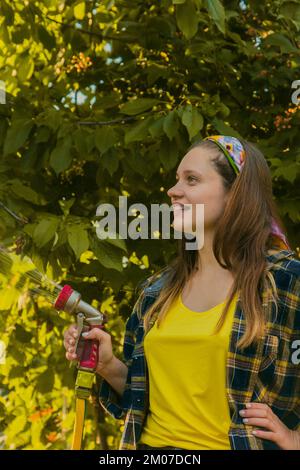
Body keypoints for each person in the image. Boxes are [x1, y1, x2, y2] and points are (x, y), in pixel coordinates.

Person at [63, 135, 300, 450]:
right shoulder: (155, 291)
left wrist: (294, 439)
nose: (173, 191)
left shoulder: (285, 280)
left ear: (235, 194)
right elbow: (139, 400)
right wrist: (107, 364)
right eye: (177, 180)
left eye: (192, 180)